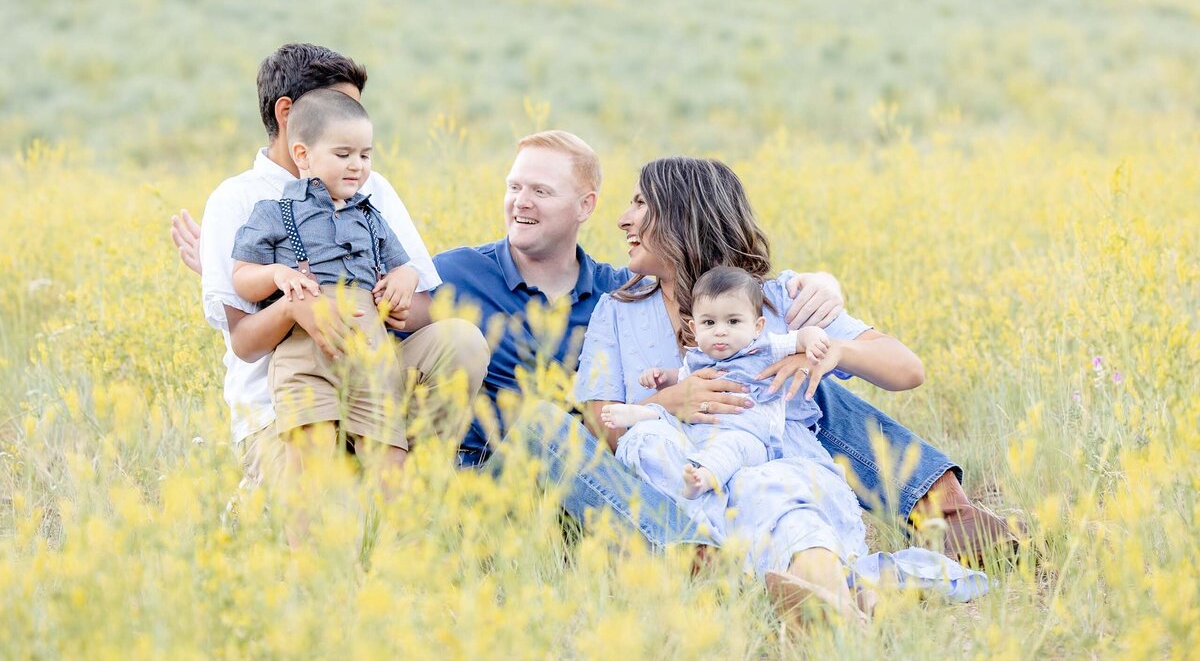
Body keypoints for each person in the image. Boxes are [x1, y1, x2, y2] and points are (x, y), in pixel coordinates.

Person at [174, 120, 1016, 563]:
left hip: (620, 467)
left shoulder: (625, 291)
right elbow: (359, 304)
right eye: (511, 188)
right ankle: (696, 558)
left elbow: (728, 325)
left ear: (587, 202)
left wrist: (818, 306)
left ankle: (946, 510)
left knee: (812, 384)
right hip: (503, 465)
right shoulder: (455, 275)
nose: (518, 202)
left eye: (540, 190)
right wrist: (240, 271)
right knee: (544, 426)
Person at [573, 157, 989, 620]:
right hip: (686, 489)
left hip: (778, 472)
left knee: (787, 497)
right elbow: (599, 424)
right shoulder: (617, 311)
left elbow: (907, 369)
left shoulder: (778, 299)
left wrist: (836, 352)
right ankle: (854, 597)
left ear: (681, 213)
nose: (623, 218)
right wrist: (667, 402)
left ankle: (834, 608)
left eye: (640, 203)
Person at [172, 43, 489, 491]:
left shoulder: (370, 186)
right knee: (328, 531)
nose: (358, 157)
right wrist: (292, 305)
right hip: (281, 405)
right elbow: (244, 341)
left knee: (462, 342)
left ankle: (406, 485)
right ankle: (278, 496)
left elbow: (422, 309)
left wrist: (389, 294)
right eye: (341, 110)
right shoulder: (239, 199)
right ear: (289, 115)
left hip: (370, 370)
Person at [231, 89, 419, 507]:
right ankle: (306, 562)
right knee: (308, 466)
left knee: (390, 458)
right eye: (344, 153)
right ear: (303, 154)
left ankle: (394, 554)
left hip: (370, 356)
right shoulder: (273, 212)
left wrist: (404, 277)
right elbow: (242, 277)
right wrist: (277, 274)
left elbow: (403, 265)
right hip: (305, 355)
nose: (357, 165)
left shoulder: (370, 216)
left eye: (366, 155)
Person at [602, 266, 835, 506]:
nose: (720, 331)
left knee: (733, 447)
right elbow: (683, 378)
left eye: (733, 321)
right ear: (694, 328)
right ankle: (640, 414)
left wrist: (813, 338)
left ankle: (704, 477)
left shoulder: (763, 347)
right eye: (709, 323)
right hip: (700, 428)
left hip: (750, 434)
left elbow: (798, 338)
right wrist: (663, 377)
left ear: (757, 326)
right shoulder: (697, 357)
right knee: (666, 416)